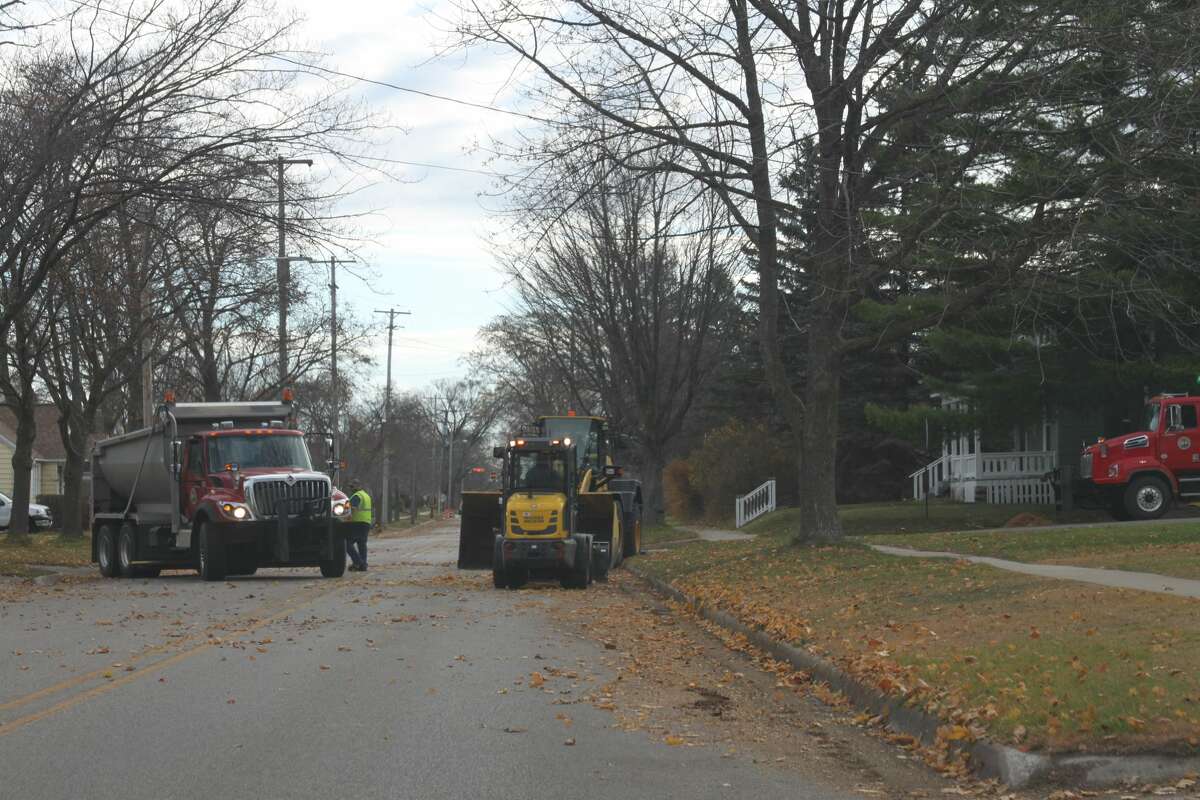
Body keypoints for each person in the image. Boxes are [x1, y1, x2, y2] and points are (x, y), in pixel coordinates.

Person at [346, 481, 372, 572]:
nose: (351, 489)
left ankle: (358, 562)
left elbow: (350, 508)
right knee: (362, 544)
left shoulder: (356, 496)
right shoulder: (366, 495)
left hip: (357, 523)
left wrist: (346, 519)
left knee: (347, 543)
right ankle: (363, 564)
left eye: (352, 487)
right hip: (366, 523)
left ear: (357, 487)